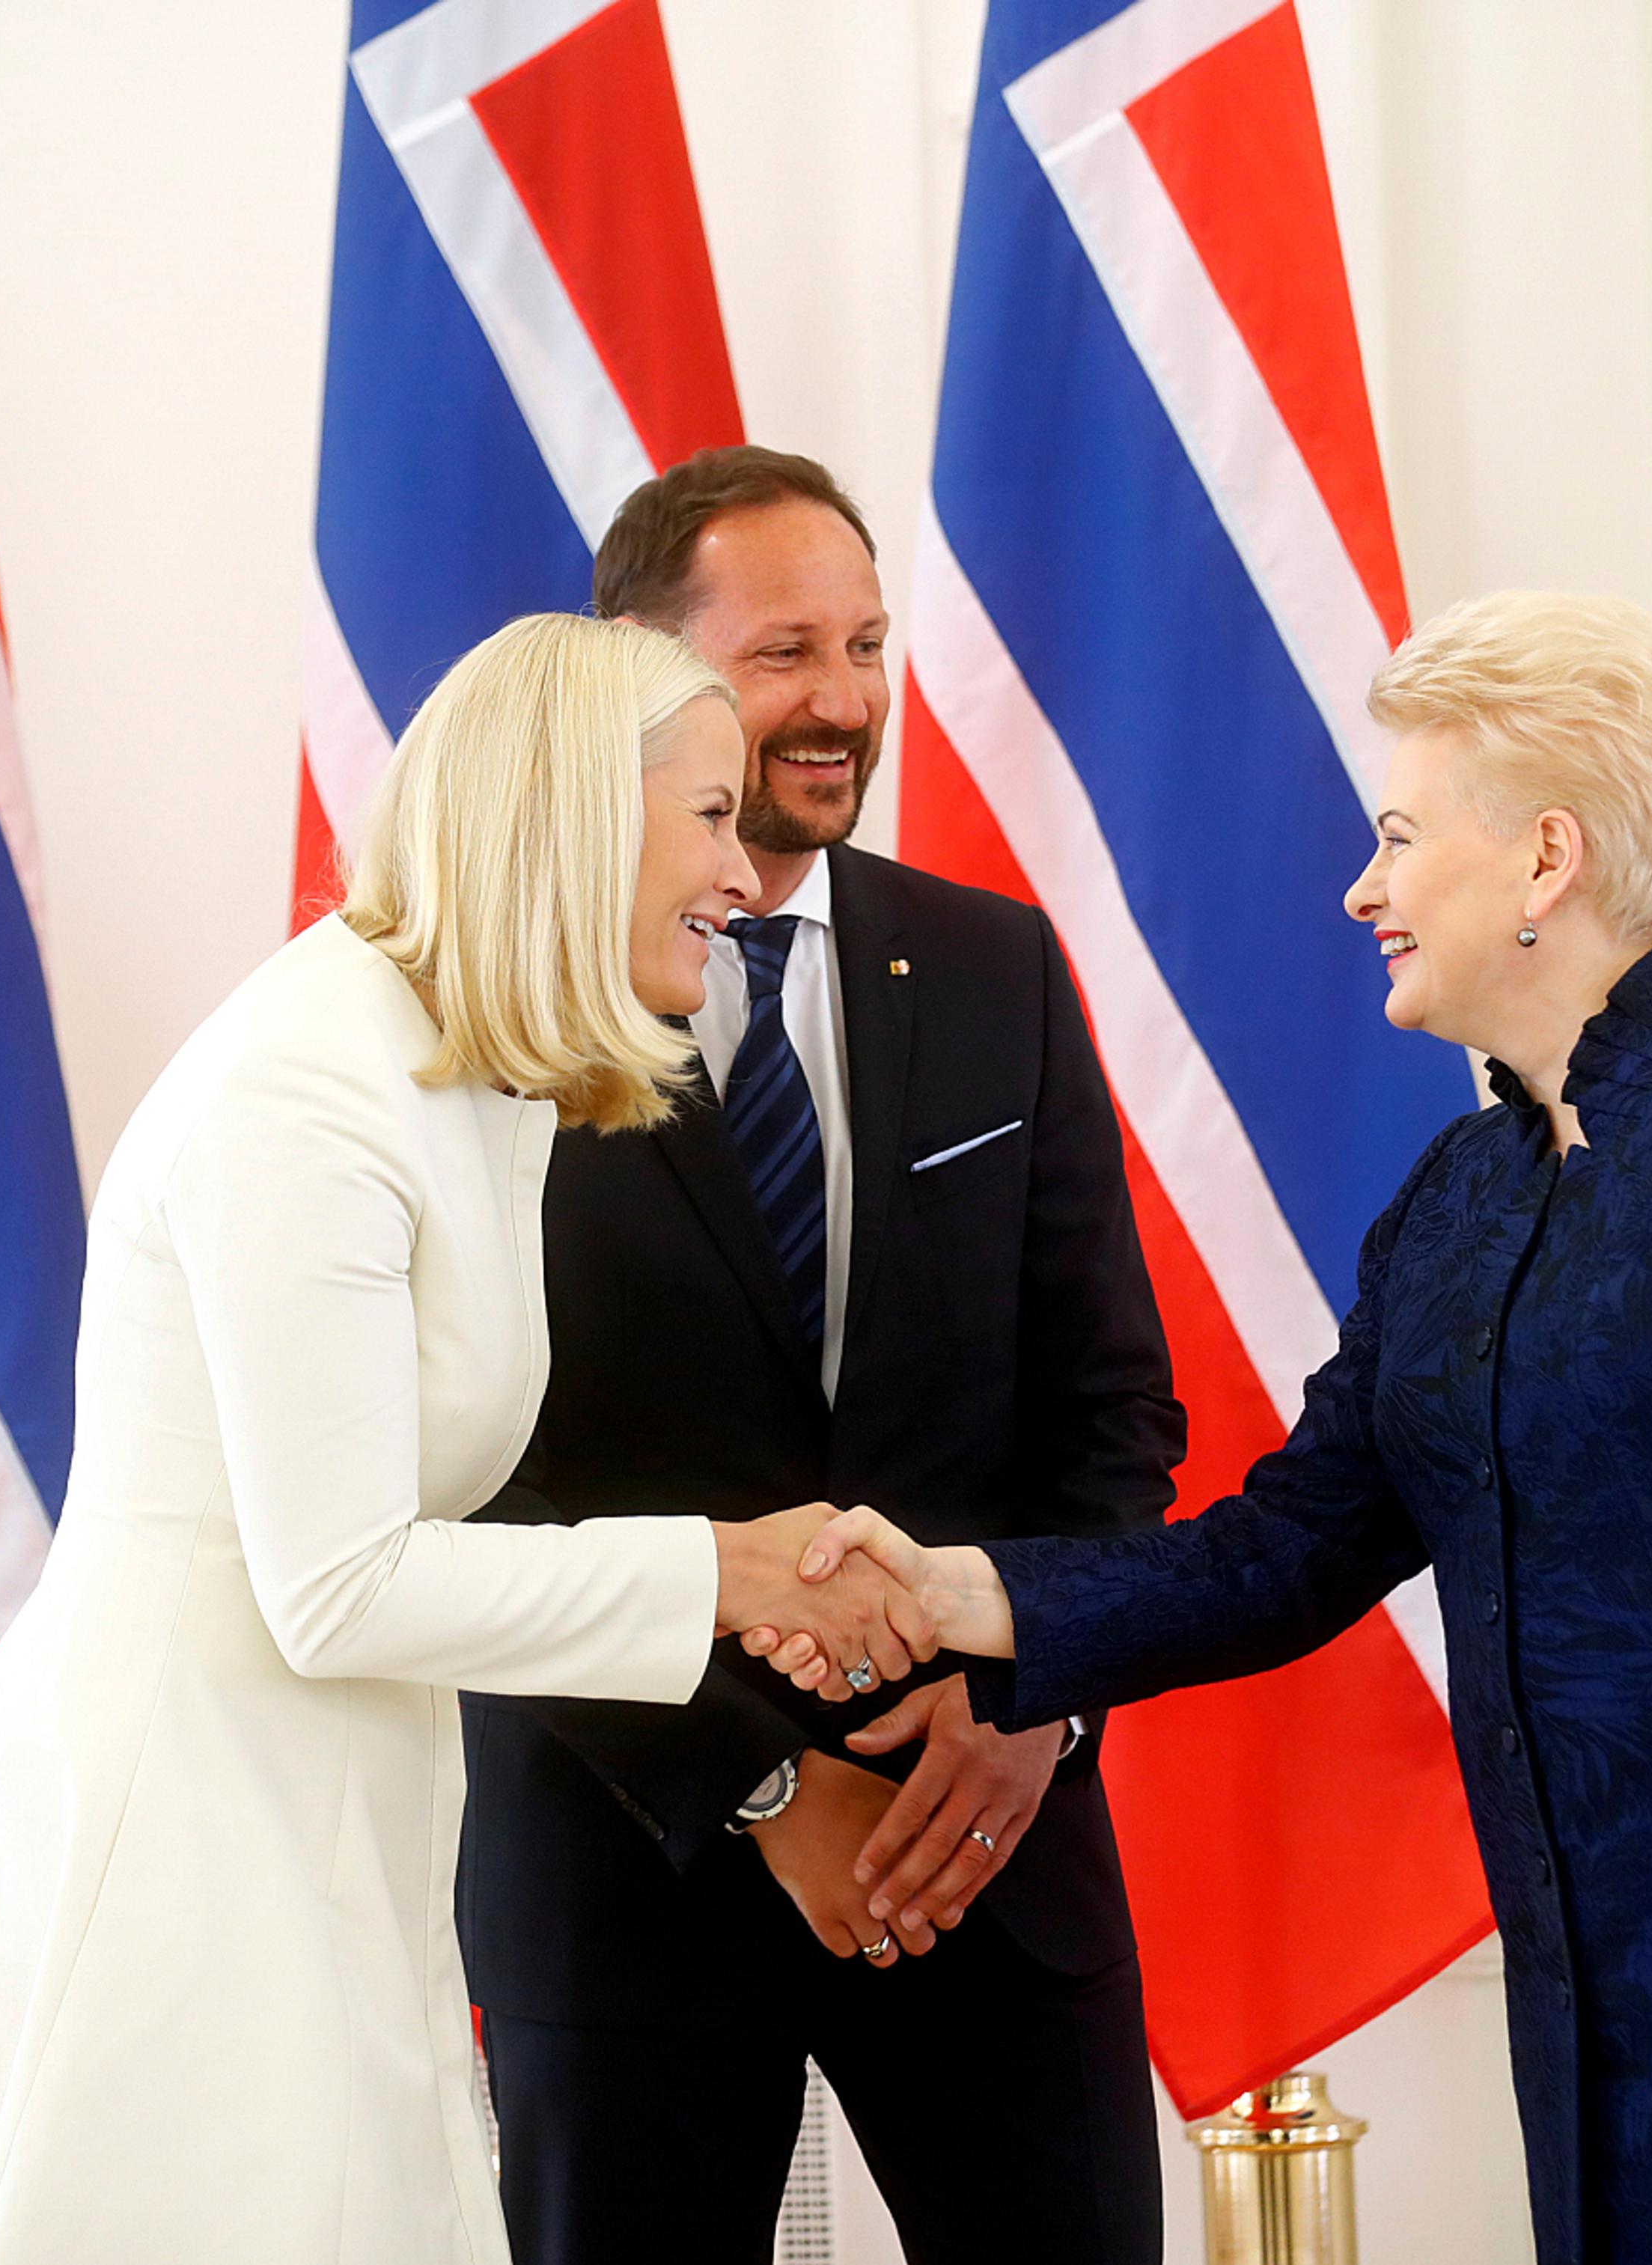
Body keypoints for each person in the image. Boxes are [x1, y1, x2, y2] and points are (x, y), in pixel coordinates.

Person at [788, 594, 1652, 2264]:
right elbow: (1283, 1550)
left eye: (1399, 838)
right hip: (1615, 2029)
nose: (1362, 889)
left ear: (1546, 858)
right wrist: (955, 1592)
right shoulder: (1461, 1197)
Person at [0, 615, 929, 2265]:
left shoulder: (463, 1075)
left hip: (332, 1819)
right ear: (580, 810)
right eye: (714, 815)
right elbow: (340, 1586)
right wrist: (728, 1573)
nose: (747, 870)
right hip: (183, 1836)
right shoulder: (305, 1091)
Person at [455, 449, 1183, 2265]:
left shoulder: (998, 967)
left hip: (985, 1846)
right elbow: (478, 1480)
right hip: (631, 1868)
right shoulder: (495, 1013)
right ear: (642, 673)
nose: (847, 700)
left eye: (866, 644)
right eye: (786, 651)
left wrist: (1031, 1700)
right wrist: (764, 1784)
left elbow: (1113, 1413)